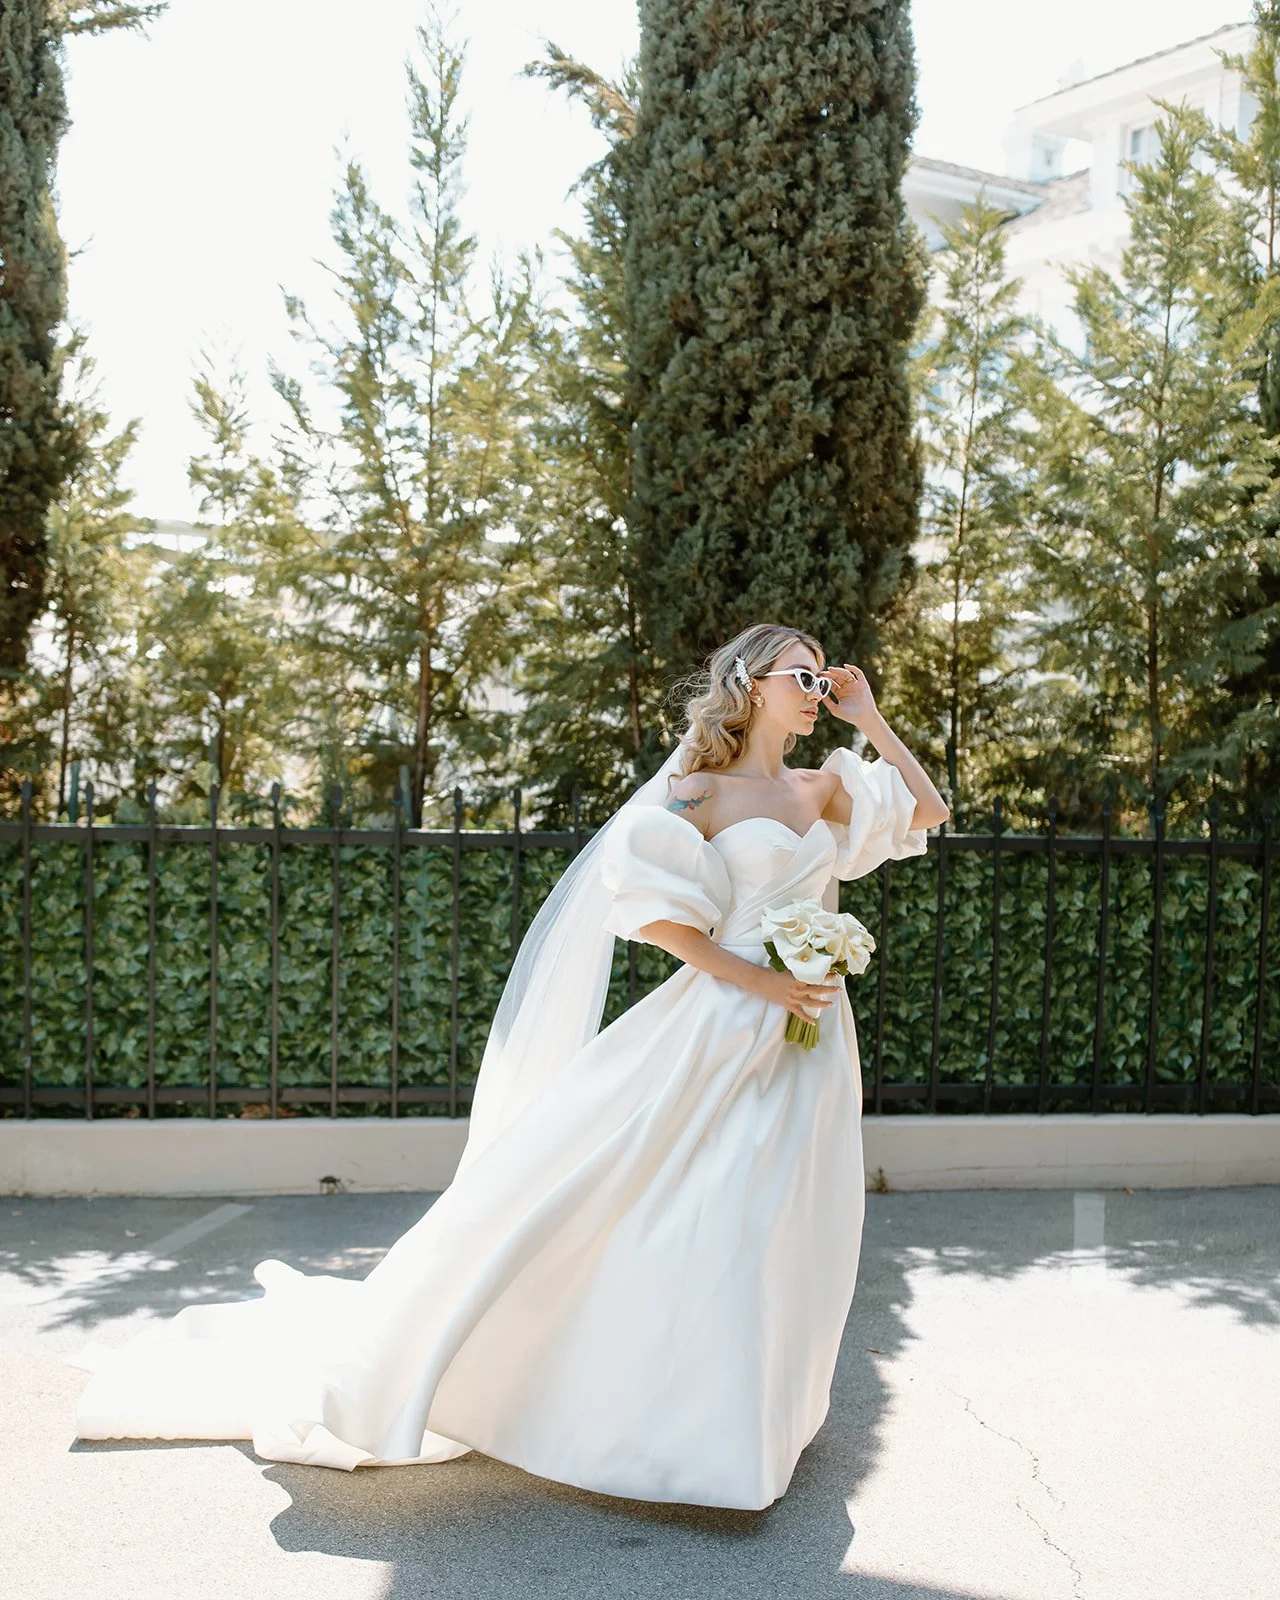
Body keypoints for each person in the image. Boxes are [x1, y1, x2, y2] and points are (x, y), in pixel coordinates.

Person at [70, 621, 950, 1511]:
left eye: (821, 674)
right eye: (801, 673)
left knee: (786, 1215)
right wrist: (759, 979)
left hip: (811, 1038)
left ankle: (752, 1421)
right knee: (685, 1205)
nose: (816, 686)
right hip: (724, 1024)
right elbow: (652, 913)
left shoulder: (824, 786)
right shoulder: (696, 793)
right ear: (754, 684)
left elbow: (928, 811)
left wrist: (870, 717)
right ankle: (667, 1425)